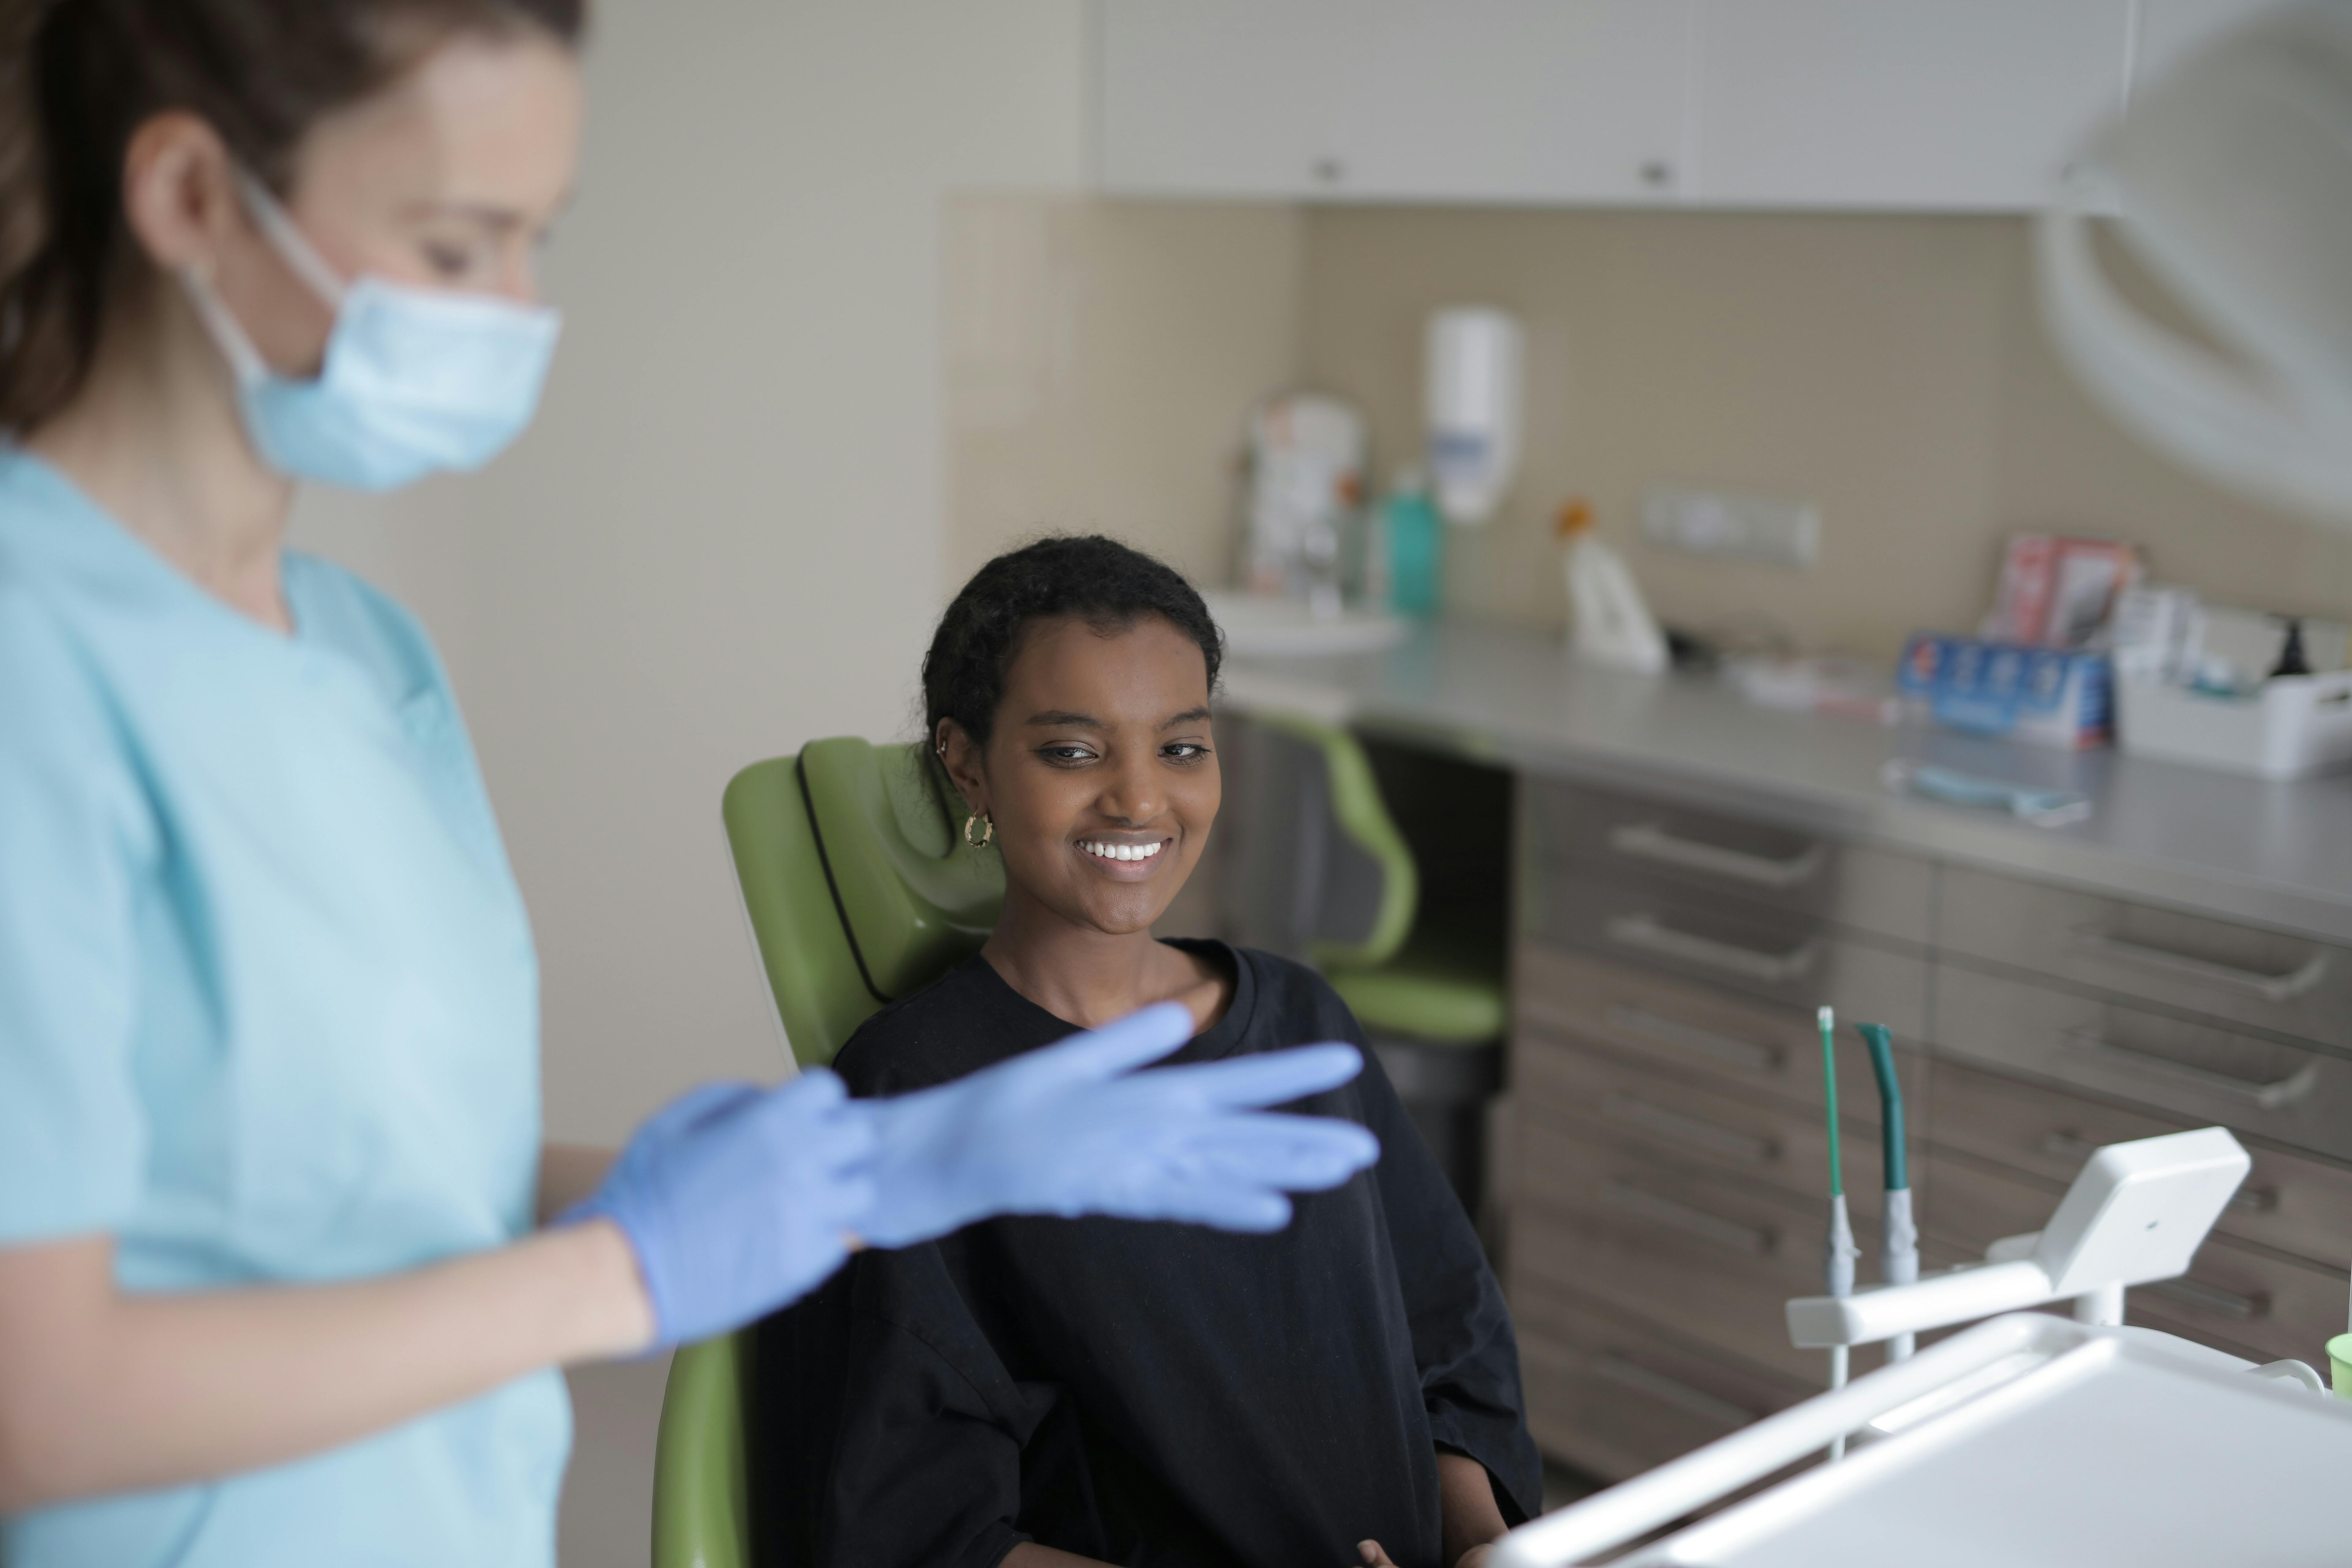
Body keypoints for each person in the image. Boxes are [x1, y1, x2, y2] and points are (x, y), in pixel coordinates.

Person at [0, 7, 1381, 1566]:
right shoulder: (31, 666)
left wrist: (867, 1177)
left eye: (538, 241)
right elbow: (31, 1400)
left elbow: (335, 1176)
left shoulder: (358, 647)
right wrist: (628, 1272)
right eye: (461, 247)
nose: (520, 313)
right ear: (187, 196)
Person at [752, 536, 1542, 1568]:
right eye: (1073, 752)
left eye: (1180, 747)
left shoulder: (1300, 1026)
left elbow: (1449, 1346)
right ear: (965, 762)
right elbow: (916, 1532)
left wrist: (1482, 1546)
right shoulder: (914, 1096)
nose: (1139, 800)